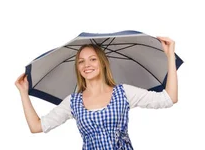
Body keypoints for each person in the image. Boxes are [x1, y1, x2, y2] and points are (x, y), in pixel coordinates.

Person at [15, 37, 178, 149]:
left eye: (93, 59)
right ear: (77, 68)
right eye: (81, 61)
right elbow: (36, 126)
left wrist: (169, 56)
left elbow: (169, 98)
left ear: (103, 63)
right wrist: (23, 92)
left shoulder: (123, 93)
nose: (87, 65)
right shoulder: (73, 102)